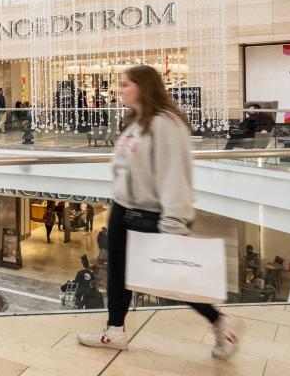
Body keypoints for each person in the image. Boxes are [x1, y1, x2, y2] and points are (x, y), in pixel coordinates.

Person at [78, 65, 244, 361]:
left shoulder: (165, 124)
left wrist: (173, 223)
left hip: (149, 213)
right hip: (125, 208)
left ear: (143, 87)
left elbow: (173, 176)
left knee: (171, 276)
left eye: (125, 84)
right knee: (117, 272)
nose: (119, 89)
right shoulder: (137, 120)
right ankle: (115, 329)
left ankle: (221, 322)